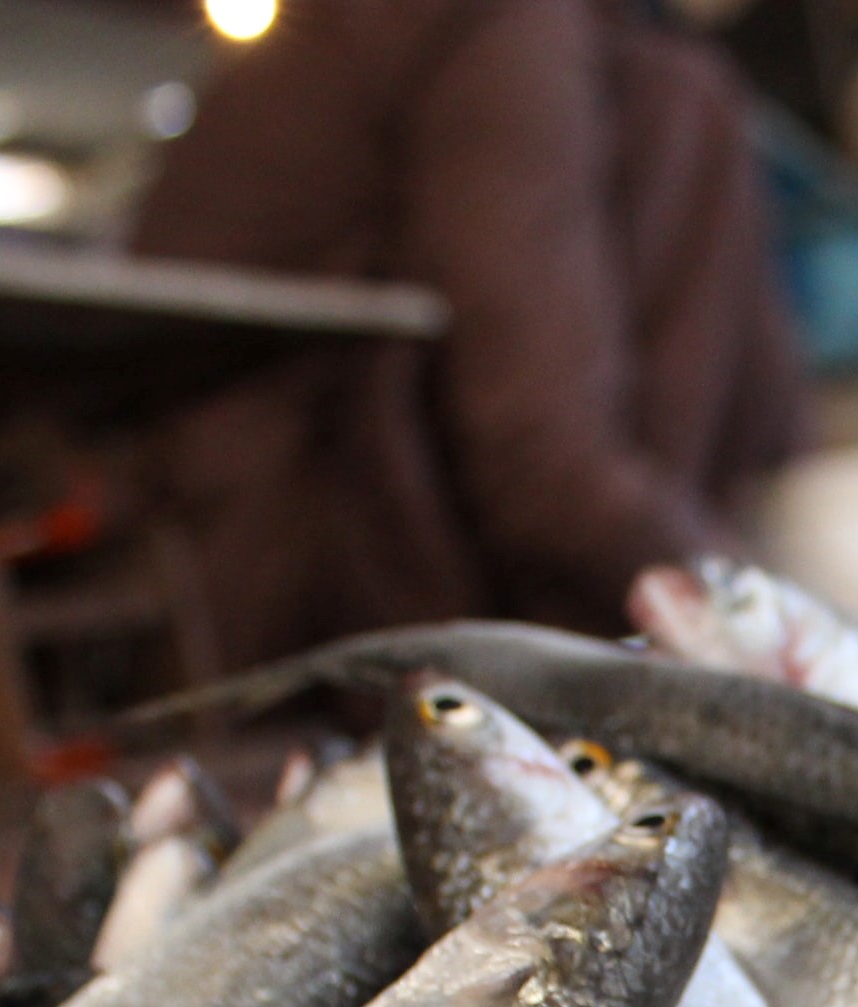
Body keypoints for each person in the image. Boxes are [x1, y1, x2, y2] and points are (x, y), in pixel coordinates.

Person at [130, 0, 810, 656]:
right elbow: (540, 459)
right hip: (265, 599)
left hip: (220, 543)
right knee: (683, 100)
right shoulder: (511, 29)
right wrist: (781, 621)